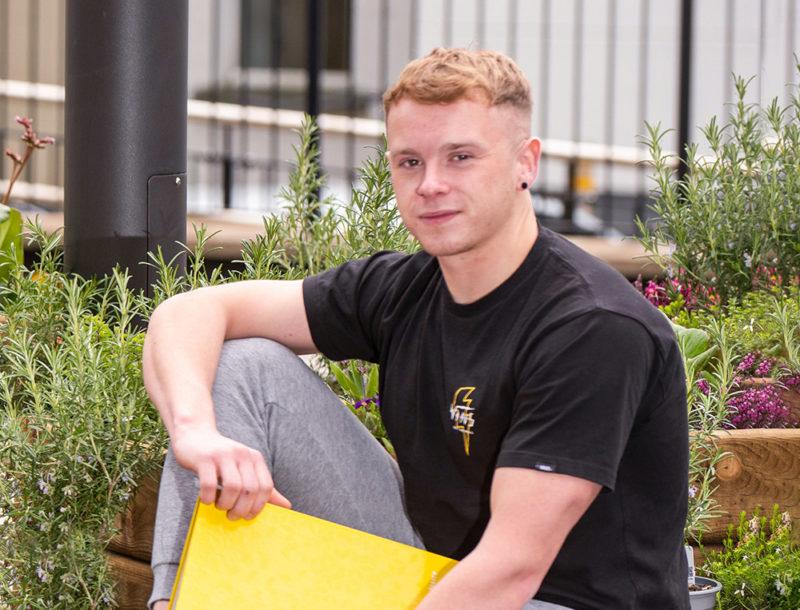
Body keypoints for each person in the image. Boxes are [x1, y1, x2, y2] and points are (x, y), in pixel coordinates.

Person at [143, 48, 690, 609]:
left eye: (460, 157)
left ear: (525, 163)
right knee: (241, 366)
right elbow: (188, 313)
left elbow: (511, 569)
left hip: (552, 600)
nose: (430, 184)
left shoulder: (590, 328)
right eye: (410, 162)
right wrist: (195, 433)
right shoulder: (402, 287)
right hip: (430, 572)